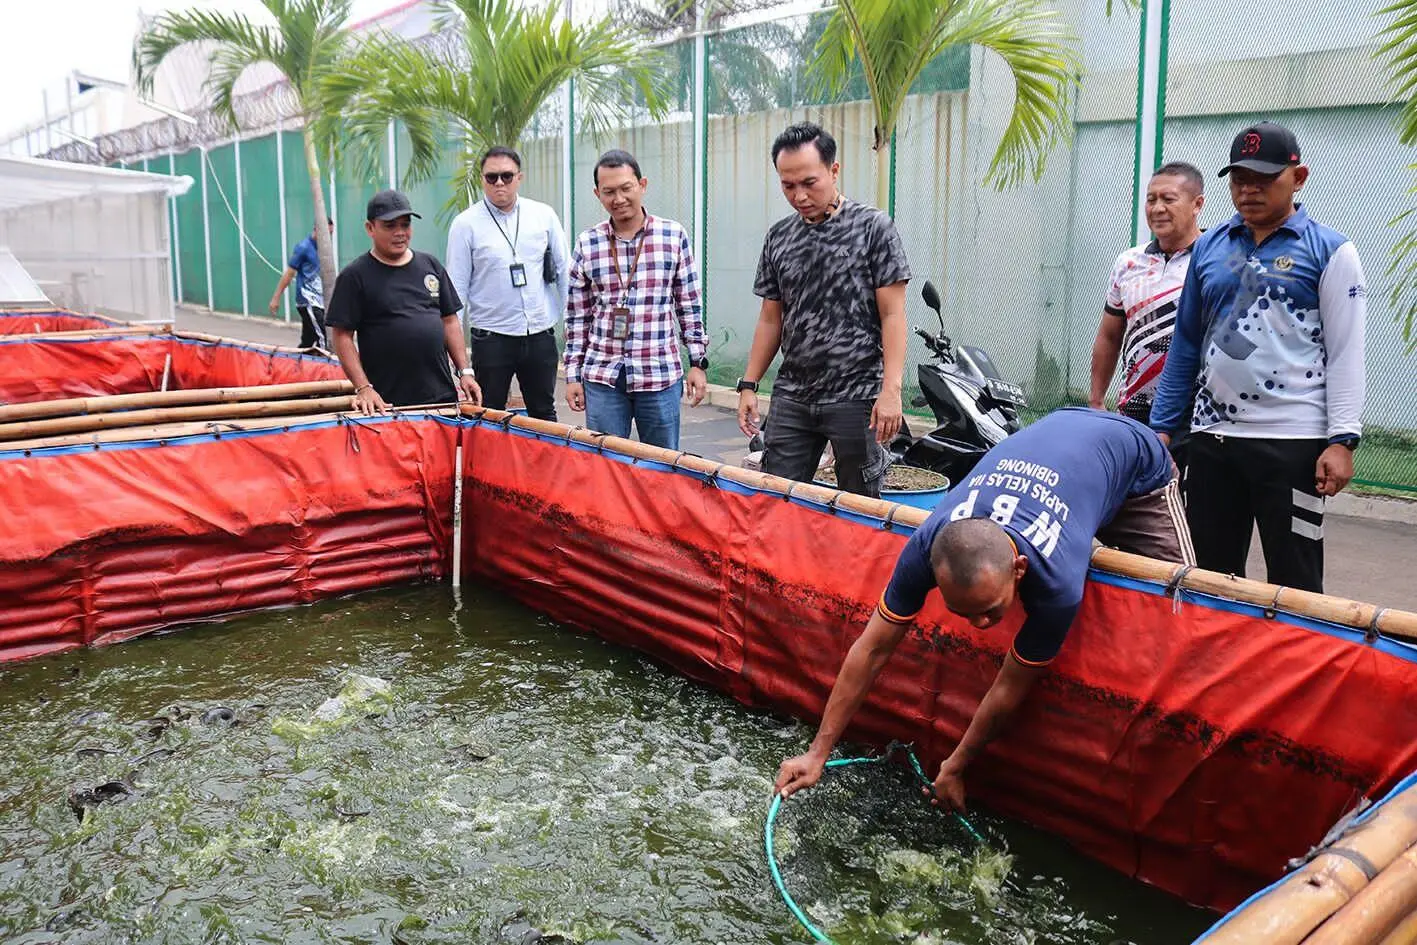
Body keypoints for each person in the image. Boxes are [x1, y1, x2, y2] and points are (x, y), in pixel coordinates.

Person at [775, 407, 1195, 810]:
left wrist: (956, 765)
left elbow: (1011, 685)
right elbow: (872, 649)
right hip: (1060, 439)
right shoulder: (926, 545)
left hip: (1135, 462)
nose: (979, 626)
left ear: (1019, 569)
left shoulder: (1056, 582)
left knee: (1185, 598)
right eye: (963, 613)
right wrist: (817, 753)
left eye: (990, 610)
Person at [1149, 122, 1366, 594]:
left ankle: (1299, 667)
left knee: (1296, 581)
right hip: (1211, 442)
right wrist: (1162, 430)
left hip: (1292, 442)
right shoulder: (1208, 246)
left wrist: (1342, 440)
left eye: (1264, 179)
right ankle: (1217, 666)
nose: (1249, 190)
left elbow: (1347, 351)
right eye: (1239, 179)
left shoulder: (1330, 251)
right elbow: (1186, 342)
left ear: (1299, 176)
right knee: (1209, 574)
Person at [736, 121, 910, 499]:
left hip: (857, 396)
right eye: (787, 185)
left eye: (809, 182)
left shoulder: (873, 228)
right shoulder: (779, 236)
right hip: (793, 395)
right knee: (777, 499)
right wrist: (749, 383)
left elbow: (893, 315)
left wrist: (890, 390)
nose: (798, 195)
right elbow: (771, 317)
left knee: (858, 506)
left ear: (834, 170)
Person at [563, 149, 708, 450]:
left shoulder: (672, 236)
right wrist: (573, 375)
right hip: (603, 376)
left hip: (658, 373)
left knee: (662, 466)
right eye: (609, 192)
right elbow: (578, 317)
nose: (619, 198)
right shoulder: (587, 243)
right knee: (606, 467)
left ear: (642, 185)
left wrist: (697, 362)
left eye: (626, 188)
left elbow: (689, 303)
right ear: (597, 194)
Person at [325, 190, 482, 415]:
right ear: (370, 228)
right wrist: (364, 388)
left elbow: (449, 321)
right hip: (385, 405)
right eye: (390, 226)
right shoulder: (355, 276)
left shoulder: (430, 265)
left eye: (405, 225)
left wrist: (465, 371)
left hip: (440, 401)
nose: (400, 233)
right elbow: (342, 336)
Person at [445, 146, 569, 421]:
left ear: (519, 177)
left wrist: (571, 324)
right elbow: (456, 290)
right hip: (492, 337)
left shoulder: (543, 215)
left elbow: (563, 271)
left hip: (539, 333)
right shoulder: (465, 225)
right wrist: (456, 359)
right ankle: (489, 466)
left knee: (543, 413)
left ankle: (541, 465)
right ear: (481, 179)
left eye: (506, 176)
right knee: (487, 414)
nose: (499, 183)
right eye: (491, 177)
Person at [1090, 162, 1205, 426]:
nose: (1157, 208)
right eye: (1151, 199)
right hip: (1134, 411)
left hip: (1195, 415)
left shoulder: (1213, 260)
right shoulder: (1128, 262)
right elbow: (1109, 335)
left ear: (1197, 205)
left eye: (1169, 199)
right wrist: (1097, 400)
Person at [268, 217, 334, 348]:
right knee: (325, 337)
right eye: (326, 234)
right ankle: (326, 367)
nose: (329, 237)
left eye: (330, 234)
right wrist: (276, 298)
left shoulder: (323, 248)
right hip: (307, 301)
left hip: (318, 301)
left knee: (308, 341)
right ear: (316, 230)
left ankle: (296, 366)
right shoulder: (304, 247)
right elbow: (289, 273)